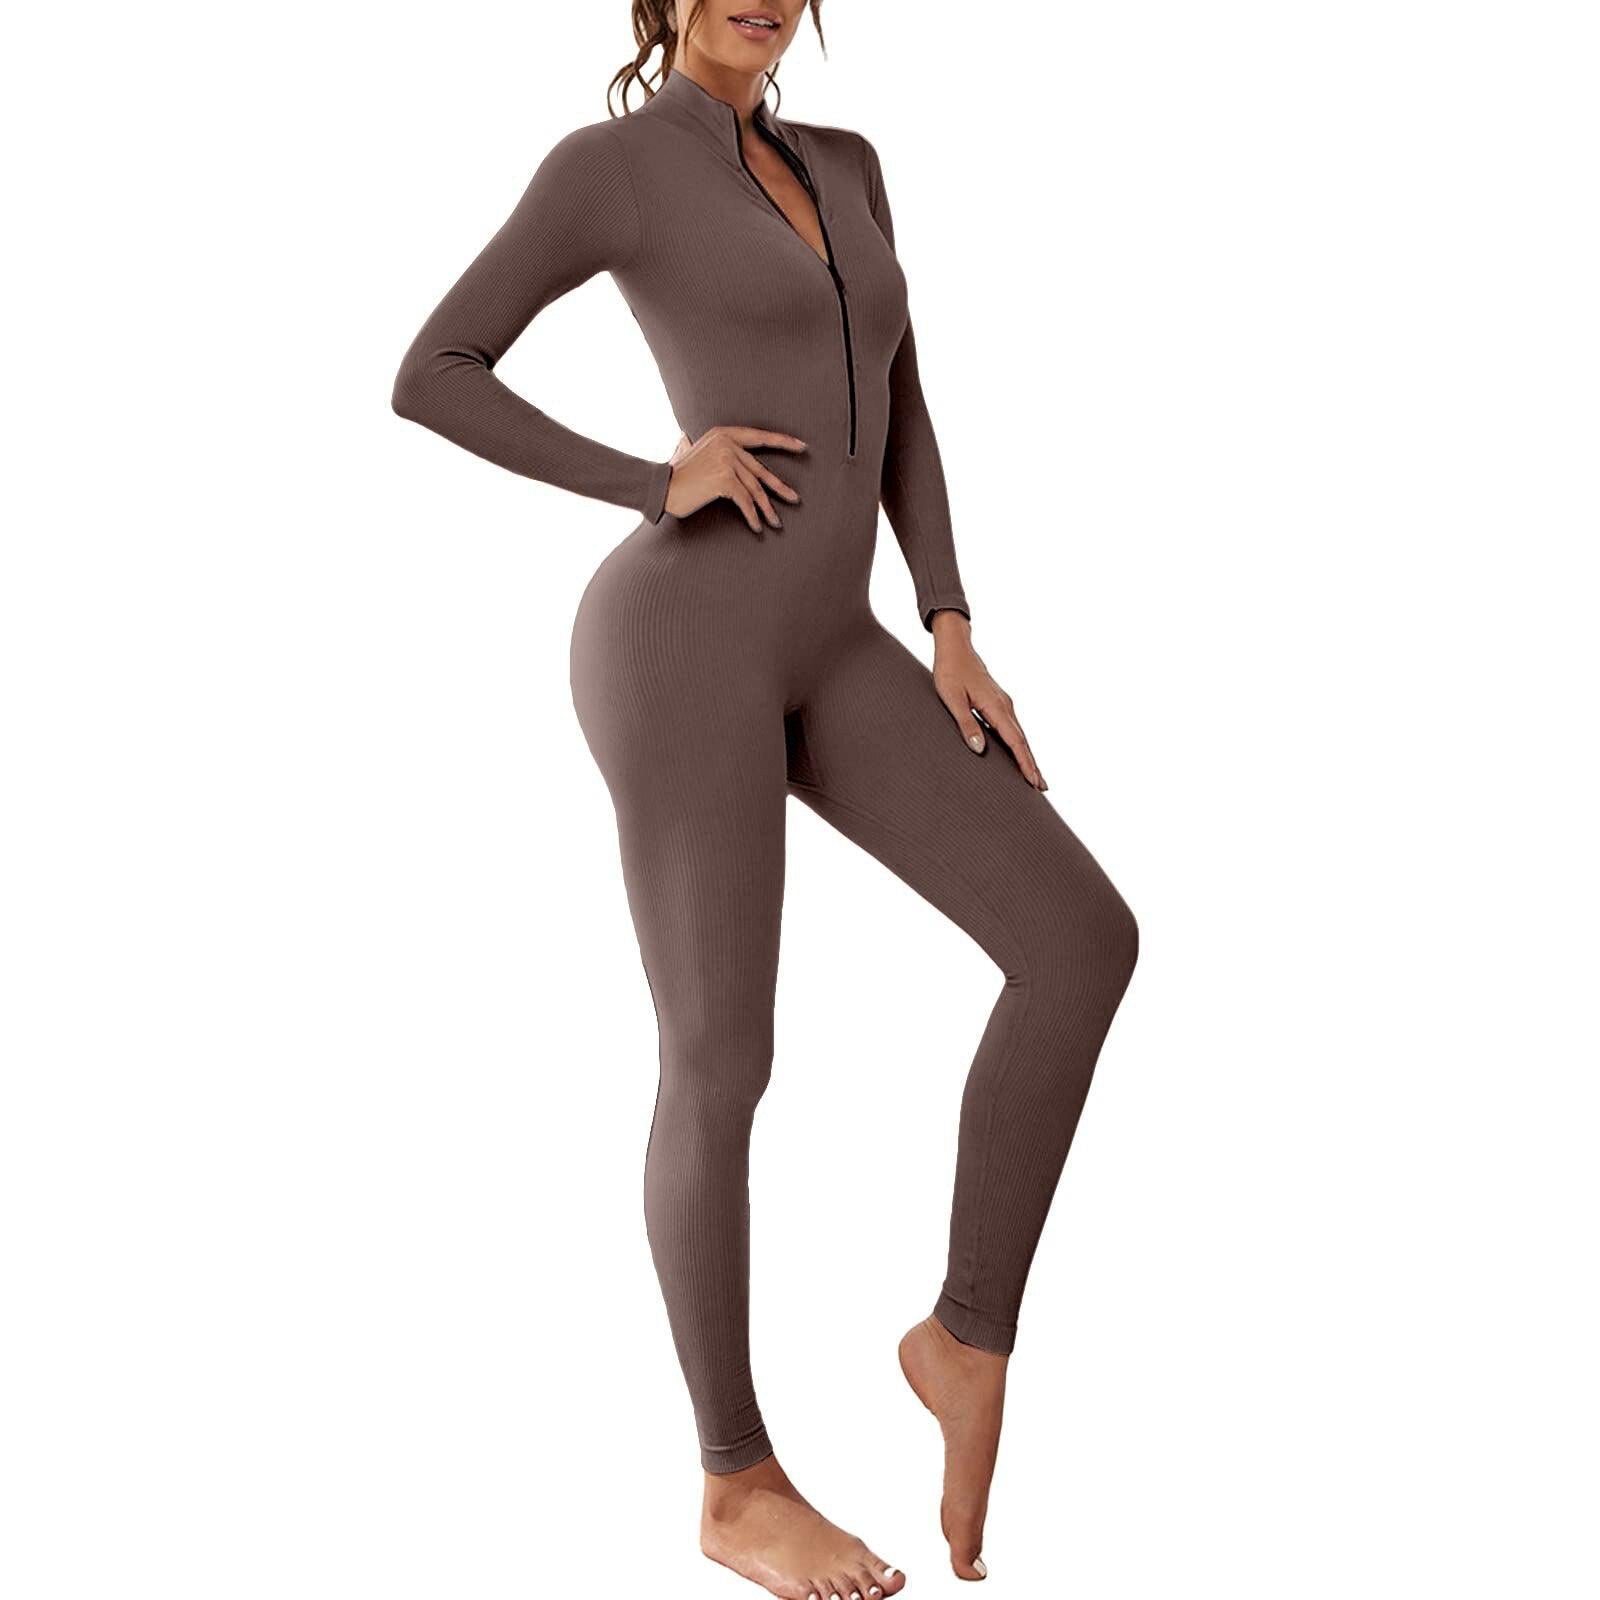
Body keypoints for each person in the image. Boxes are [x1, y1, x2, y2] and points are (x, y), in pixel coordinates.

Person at [391, 4, 1138, 1595]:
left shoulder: (850, 164)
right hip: (682, 644)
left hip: (838, 643)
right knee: (723, 1058)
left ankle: (963, 1335)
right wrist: (650, 476)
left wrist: (947, 619)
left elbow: (902, 399)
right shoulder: (612, 168)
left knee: (1081, 941)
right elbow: (433, 372)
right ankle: (736, 1483)